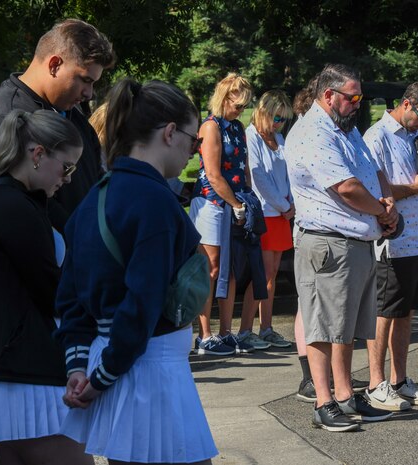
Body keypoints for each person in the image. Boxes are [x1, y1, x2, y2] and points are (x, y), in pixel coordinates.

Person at [55, 78, 218, 465]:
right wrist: (99, 378)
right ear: (169, 133)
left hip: (112, 365)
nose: (195, 153)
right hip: (147, 372)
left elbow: (70, 300)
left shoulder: (95, 196)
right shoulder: (155, 201)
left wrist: (80, 369)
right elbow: (141, 303)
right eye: (195, 141)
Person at [0, 110, 92, 465]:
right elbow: (51, 290)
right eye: (67, 167)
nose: (68, 178)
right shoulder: (10, 204)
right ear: (37, 154)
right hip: (23, 369)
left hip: (10, 365)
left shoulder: (17, 200)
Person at [285, 64, 399, 431]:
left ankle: (347, 397)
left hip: (355, 242)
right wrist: (382, 211)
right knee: (322, 326)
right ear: (329, 95)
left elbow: (372, 169)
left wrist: (387, 201)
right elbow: (346, 187)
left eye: (359, 97)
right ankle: (323, 402)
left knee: (346, 327)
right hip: (327, 244)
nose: (356, 104)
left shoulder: (344, 130)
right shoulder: (312, 132)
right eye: (352, 98)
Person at [0, 18, 116, 232]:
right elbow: (19, 207)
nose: (89, 94)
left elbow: (95, 178)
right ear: (55, 65)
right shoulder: (5, 118)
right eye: (85, 80)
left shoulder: (71, 114)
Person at [362, 81, 418, 411]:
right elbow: (371, 189)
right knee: (384, 311)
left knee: (406, 312)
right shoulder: (376, 137)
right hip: (393, 242)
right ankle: (375, 383)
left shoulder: (415, 137)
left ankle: (399, 380)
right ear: (407, 104)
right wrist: (414, 189)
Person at [189, 73, 260, 356]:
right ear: (224, 98)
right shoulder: (211, 126)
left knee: (230, 268)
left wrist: (247, 200)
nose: (240, 109)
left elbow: (243, 168)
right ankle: (204, 335)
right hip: (210, 202)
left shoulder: (237, 127)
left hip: (234, 202)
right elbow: (213, 174)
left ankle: (226, 331)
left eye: (244, 106)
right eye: (237, 104)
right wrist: (237, 205)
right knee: (212, 268)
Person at [238, 90, 295, 350]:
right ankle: (245, 330)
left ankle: (266, 327)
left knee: (271, 274)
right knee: (261, 275)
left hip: (282, 214)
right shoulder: (252, 138)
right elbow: (259, 178)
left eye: (283, 119)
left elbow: (289, 173)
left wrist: (291, 203)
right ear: (263, 112)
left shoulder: (278, 138)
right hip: (266, 213)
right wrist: (284, 205)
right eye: (275, 117)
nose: (278, 123)